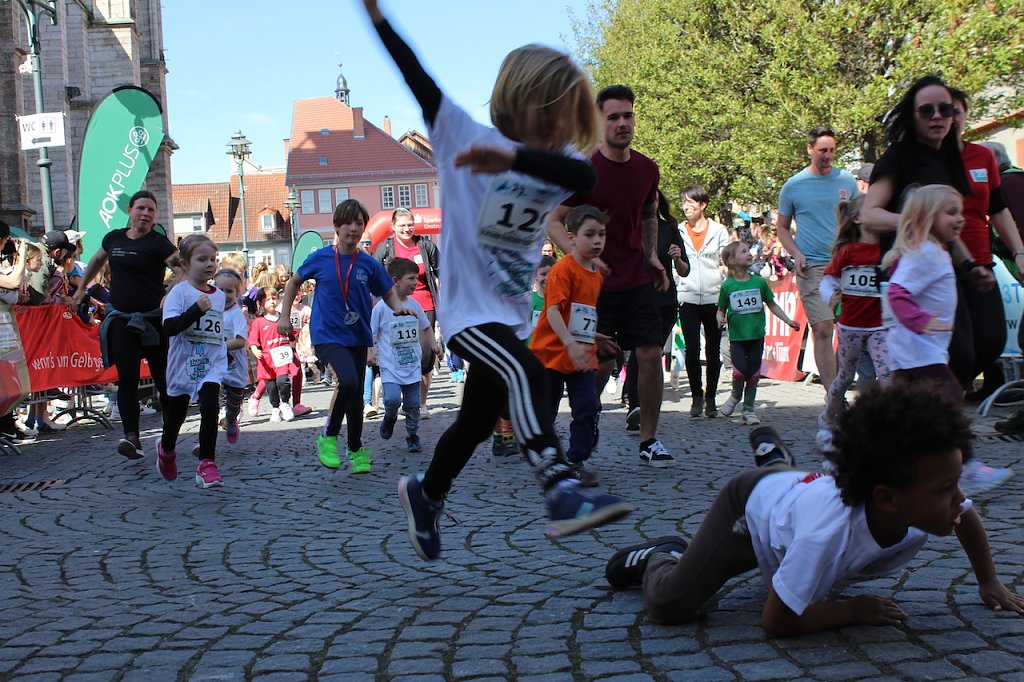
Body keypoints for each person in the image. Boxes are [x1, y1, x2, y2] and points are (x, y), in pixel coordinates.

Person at [363, 0, 631, 561]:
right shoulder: (460, 133)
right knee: (524, 370)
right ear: (527, 102)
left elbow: (583, 176)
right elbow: (415, 73)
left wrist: (512, 160)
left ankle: (426, 493)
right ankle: (558, 484)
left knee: (477, 421)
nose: (562, 129)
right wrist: (379, 17)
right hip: (467, 314)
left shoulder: (552, 161)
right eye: (554, 115)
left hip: (508, 314)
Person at [605, 382, 1024, 635]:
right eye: (947, 488)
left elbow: (966, 517)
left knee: (797, 499)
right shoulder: (826, 534)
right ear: (887, 498)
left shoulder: (921, 502)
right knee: (672, 606)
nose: (960, 499)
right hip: (749, 508)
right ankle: (663, 555)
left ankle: (776, 463)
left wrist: (989, 581)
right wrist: (853, 610)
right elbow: (777, 622)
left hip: (800, 495)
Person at [547, 84, 673, 466]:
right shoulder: (585, 171)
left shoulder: (647, 169)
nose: (622, 123)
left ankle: (649, 440)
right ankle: (588, 422)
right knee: (599, 362)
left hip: (636, 277)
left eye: (627, 115)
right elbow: (553, 221)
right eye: (613, 116)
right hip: (595, 286)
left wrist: (651, 255)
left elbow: (649, 213)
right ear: (599, 122)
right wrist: (579, 259)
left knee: (651, 353)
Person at [882, 184, 1010, 494]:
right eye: (951, 213)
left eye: (961, 212)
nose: (961, 218)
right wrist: (921, 321)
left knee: (901, 411)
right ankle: (967, 467)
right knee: (949, 399)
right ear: (927, 217)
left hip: (913, 349)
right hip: (919, 349)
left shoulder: (930, 250)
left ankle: (891, 464)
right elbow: (897, 292)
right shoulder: (926, 253)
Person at [279, 198, 413, 475]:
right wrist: (283, 316)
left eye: (359, 223)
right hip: (327, 335)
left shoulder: (368, 263)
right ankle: (328, 435)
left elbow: (387, 290)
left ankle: (355, 448)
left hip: (357, 335)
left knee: (355, 396)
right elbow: (294, 282)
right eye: (348, 223)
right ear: (337, 226)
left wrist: (397, 307)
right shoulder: (321, 258)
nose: (354, 228)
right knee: (348, 381)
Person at [74, 190, 177, 460]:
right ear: (130, 210)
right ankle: (132, 438)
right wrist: (81, 288)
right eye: (141, 208)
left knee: (163, 378)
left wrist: (170, 293)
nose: (145, 213)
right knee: (128, 378)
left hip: (153, 320)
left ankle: (170, 434)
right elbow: (97, 260)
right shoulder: (114, 238)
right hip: (121, 319)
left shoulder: (159, 243)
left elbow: (183, 269)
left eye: (151, 210)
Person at [946, 90, 1024, 401]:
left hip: (980, 262)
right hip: (940, 265)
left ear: (966, 116)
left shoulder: (982, 157)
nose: (950, 118)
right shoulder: (924, 160)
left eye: (956, 111)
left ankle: (948, 389)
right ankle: (944, 401)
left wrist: (1019, 251)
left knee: (992, 340)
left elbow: (999, 209)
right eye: (943, 111)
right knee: (960, 350)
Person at [775, 126, 860, 392]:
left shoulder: (847, 181)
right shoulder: (793, 186)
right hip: (812, 266)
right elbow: (781, 228)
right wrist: (796, 254)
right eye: (823, 150)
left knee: (851, 331)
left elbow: (859, 219)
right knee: (823, 328)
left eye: (832, 150)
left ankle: (841, 385)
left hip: (847, 265)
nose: (828, 155)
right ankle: (833, 396)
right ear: (810, 149)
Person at [530, 205, 607, 484]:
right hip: (550, 354)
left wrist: (594, 336)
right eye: (590, 234)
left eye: (601, 234)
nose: (597, 241)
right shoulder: (563, 269)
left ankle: (575, 461)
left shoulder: (596, 273)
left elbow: (582, 313)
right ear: (572, 238)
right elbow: (553, 312)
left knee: (587, 406)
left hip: (581, 355)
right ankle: (546, 457)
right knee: (546, 411)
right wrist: (569, 343)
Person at [817, 196, 890, 447]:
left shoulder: (889, 250)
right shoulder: (848, 252)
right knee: (845, 377)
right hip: (851, 326)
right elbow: (828, 280)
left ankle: (883, 424)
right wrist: (831, 296)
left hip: (880, 326)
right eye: (874, 209)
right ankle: (828, 417)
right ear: (858, 219)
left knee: (887, 375)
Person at [157, 234, 227, 488]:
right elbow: (169, 328)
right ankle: (166, 450)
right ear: (185, 264)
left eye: (213, 259)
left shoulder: (219, 295)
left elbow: (218, 326)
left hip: (210, 363)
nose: (210, 264)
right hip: (183, 363)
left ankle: (207, 464)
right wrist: (196, 309)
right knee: (176, 414)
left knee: (210, 407)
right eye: (202, 259)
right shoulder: (179, 292)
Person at [624, 191, 689, 431]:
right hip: (638, 299)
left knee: (654, 353)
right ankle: (634, 406)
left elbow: (684, 271)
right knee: (641, 352)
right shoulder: (630, 227)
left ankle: (649, 408)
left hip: (665, 301)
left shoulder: (669, 228)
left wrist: (677, 258)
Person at [716, 241, 800, 424]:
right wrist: (719, 319)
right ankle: (735, 395)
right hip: (737, 338)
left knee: (753, 375)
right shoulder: (727, 286)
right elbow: (720, 309)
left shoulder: (759, 282)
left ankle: (749, 410)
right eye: (743, 251)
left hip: (756, 336)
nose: (749, 254)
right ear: (732, 260)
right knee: (739, 373)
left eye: (748, 250)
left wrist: (788, 321)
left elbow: (772, 305)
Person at [373, 208, 441, 416]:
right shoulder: (386, 248)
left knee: (425, 357)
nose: (407, 229)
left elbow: (442, 273)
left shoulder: (426, 246)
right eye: (402, 225)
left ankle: (420, 403)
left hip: (424, 305)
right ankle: (398, 397)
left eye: (410, 224)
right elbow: (373, 275)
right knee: (399, 353)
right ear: (393, 227)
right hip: (395, 307)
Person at [371, 257, 441, 453]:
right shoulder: (381, 308)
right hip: (390, 366)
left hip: (411, 365)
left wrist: (434, 346)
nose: (416, 283)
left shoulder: (415, 305)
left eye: (416, 278)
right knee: (392, 399)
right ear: (395, 280)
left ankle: (412, 435)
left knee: (412, 404)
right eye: (411, 278)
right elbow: (371, 332)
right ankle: (389, 417)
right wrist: (371, 352)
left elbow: (425, 327)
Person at [676, 185, 730, 419]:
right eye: (683, 202)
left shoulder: (719, 230)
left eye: (690, 202)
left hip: (713, 297)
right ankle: (696, 396)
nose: (686, 207)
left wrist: (725, 291)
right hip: (687, 297)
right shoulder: (678, 230)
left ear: (703, 205)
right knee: (691, 348)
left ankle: (711, 397)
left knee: (713, 349)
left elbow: (726, 262)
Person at [248, 287, 297, 423]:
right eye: (267, 299)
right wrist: (254, 349)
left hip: (282, 359)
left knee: (283, 381)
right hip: (266, 361)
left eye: (274, 298)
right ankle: (275, 408)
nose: (272, 302)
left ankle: (285, 403)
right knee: (271, 387)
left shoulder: (283, 318)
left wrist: (292, 346)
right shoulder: (258, 322)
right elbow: (253, 340)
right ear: (261, 303)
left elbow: (292, 335)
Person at [215, 269, 246, 444]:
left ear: (237, 293)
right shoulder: (209, 311)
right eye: (220, 290)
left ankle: (232, 418)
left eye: (229, 291)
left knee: (234, 401)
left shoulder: (236, 314)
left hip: (234, 368)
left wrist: (220, 347)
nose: (225, 295)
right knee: (212, 394)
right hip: (215, 366)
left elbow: (241, 341)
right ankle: (218, 418)